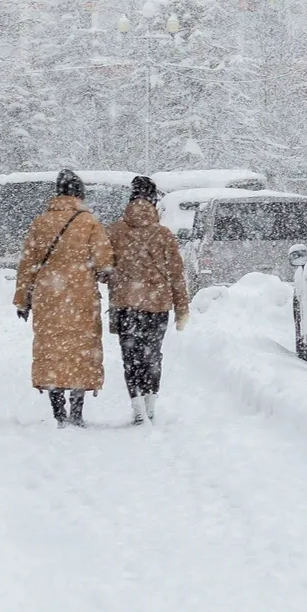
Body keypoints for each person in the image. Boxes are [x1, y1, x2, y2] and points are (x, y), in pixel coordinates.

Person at [13, 169, 113, 429]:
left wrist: (23, 300)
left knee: (52, 350)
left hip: (48, 297)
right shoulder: (90, 222)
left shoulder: (41, 222)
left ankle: (58, 410)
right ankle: (77, 410)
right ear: (79, 193)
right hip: (82, 298)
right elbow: (104, 264)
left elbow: (28, 265)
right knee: (81, 350)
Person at [105, 175, 189, 425]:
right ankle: (151, 404)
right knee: (152, 355)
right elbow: (176, 274)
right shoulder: (164, 234)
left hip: (125, 305)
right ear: (154, 201)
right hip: (157, 305)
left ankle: (138, 406)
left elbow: (103, 270)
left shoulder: (114, 232)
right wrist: (182, 307)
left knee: (130, 358)